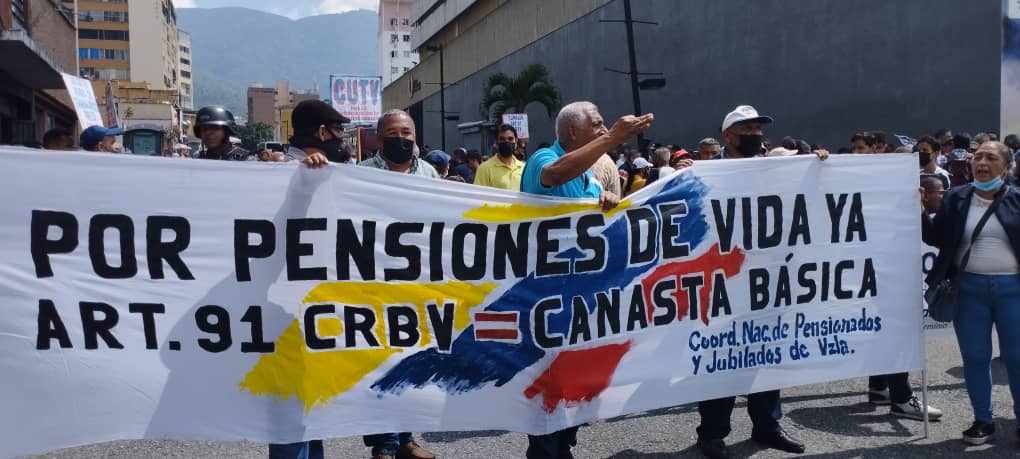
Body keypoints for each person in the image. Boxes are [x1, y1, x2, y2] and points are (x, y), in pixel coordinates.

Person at [520, 101, 650, 458]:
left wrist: (605, 200)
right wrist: (614, 138)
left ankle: (563, 444)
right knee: (548, 386)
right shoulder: (544, 158)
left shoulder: (588, 176)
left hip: (583, 298)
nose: (604, 129)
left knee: (573, 382)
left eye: (606, 125)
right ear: (573, 131)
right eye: (598, 124)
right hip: (548, 299)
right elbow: (554, 175)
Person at [696, 105, 825, 459]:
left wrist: (818, 166)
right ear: (728, 137)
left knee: (767, 356)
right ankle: (712, 433)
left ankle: (768, 426)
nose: (755, 135)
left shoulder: (773, 170)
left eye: (757, 129)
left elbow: (810, 196)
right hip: (724, 285)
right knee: (722, 359)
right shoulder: (704, 174)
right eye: (747, 130)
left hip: (768, 283)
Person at [922, 141, 1020, 445]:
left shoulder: (1017, 199)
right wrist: (921, 211)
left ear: (1006, 166)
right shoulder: (956, 197)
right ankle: (983, 420)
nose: (982, 163)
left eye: (991, 157)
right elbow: (937, 238)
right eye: (978, 157)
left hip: (1013, 291)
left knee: (1017, 358)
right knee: (976, 357)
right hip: (967, 290)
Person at [280, 99, 352, 164]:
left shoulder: (280, 167)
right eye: (338, 130)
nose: (341, 136)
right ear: (322, 132)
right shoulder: (290, 168)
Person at [475, 123, 525, 190]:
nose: (506, 142)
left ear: (516, 141)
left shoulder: (523, 168)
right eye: (502, 139)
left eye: (510, 139)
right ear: (496, 142)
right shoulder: (484, 169)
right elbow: (479, 194)